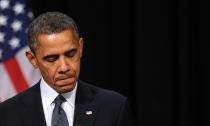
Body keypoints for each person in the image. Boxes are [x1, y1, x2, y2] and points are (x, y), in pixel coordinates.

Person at [0, 12, 135, 126]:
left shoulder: (114, 107)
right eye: (52, 59)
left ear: (80, 48)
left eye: (70, 54)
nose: (64, 67)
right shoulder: (7, 114)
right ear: (32, 59)